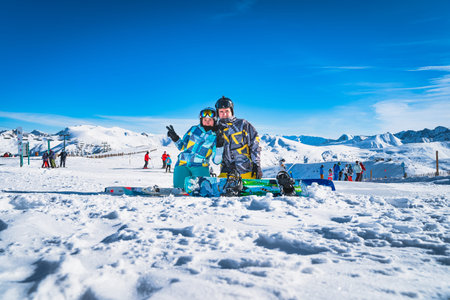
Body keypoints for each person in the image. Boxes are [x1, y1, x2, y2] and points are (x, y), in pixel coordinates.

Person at [166, 107, 221, 189]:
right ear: (201, 120)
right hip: (182, 164)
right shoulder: (194, 129)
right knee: (180, 191)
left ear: (215, 121)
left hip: (200, 166)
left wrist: (220, 145)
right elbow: (182, 146)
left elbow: (216, 161)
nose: (207, 122)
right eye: (205, 120)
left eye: (210, 120)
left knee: (203, 191)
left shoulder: (216, 136)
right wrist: (175, 138)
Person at [215, 96, 262, 179]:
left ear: (231, 111)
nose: (224, 114)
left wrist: (256, 164)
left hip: (245, 170)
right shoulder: (216, 129)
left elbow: (255, 144)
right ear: (218, 113)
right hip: (226, 171)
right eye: (221, 111)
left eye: (227, 111)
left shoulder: (243, 124)